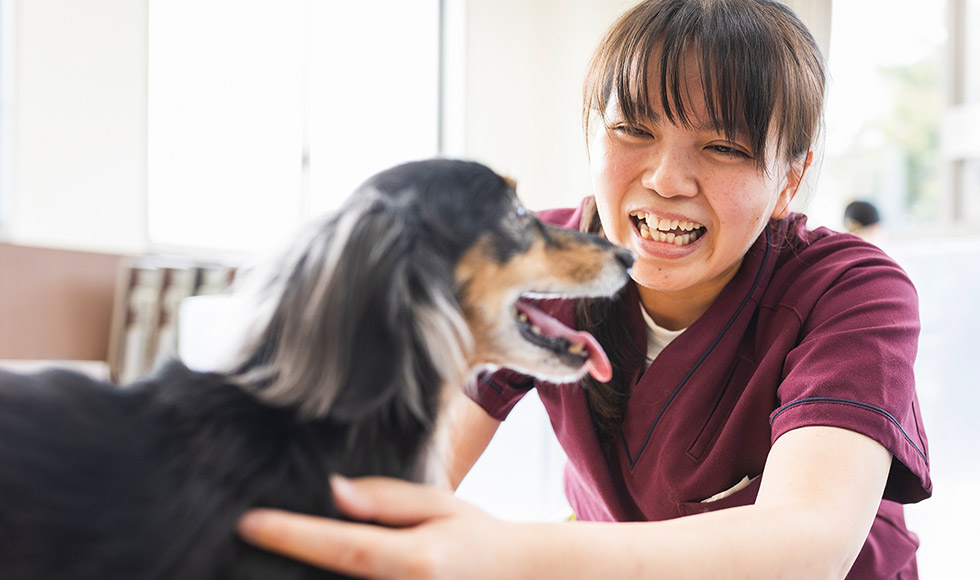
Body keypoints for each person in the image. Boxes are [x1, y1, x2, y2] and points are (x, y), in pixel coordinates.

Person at [236, 1, 931, 577]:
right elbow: (422, 465)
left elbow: (805, 545)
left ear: (789, 178)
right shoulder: (531, 260)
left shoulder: (852, 292)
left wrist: (505, 554)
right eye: (633, 129)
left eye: (723, 148)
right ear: (593, 135)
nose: (665, 179)